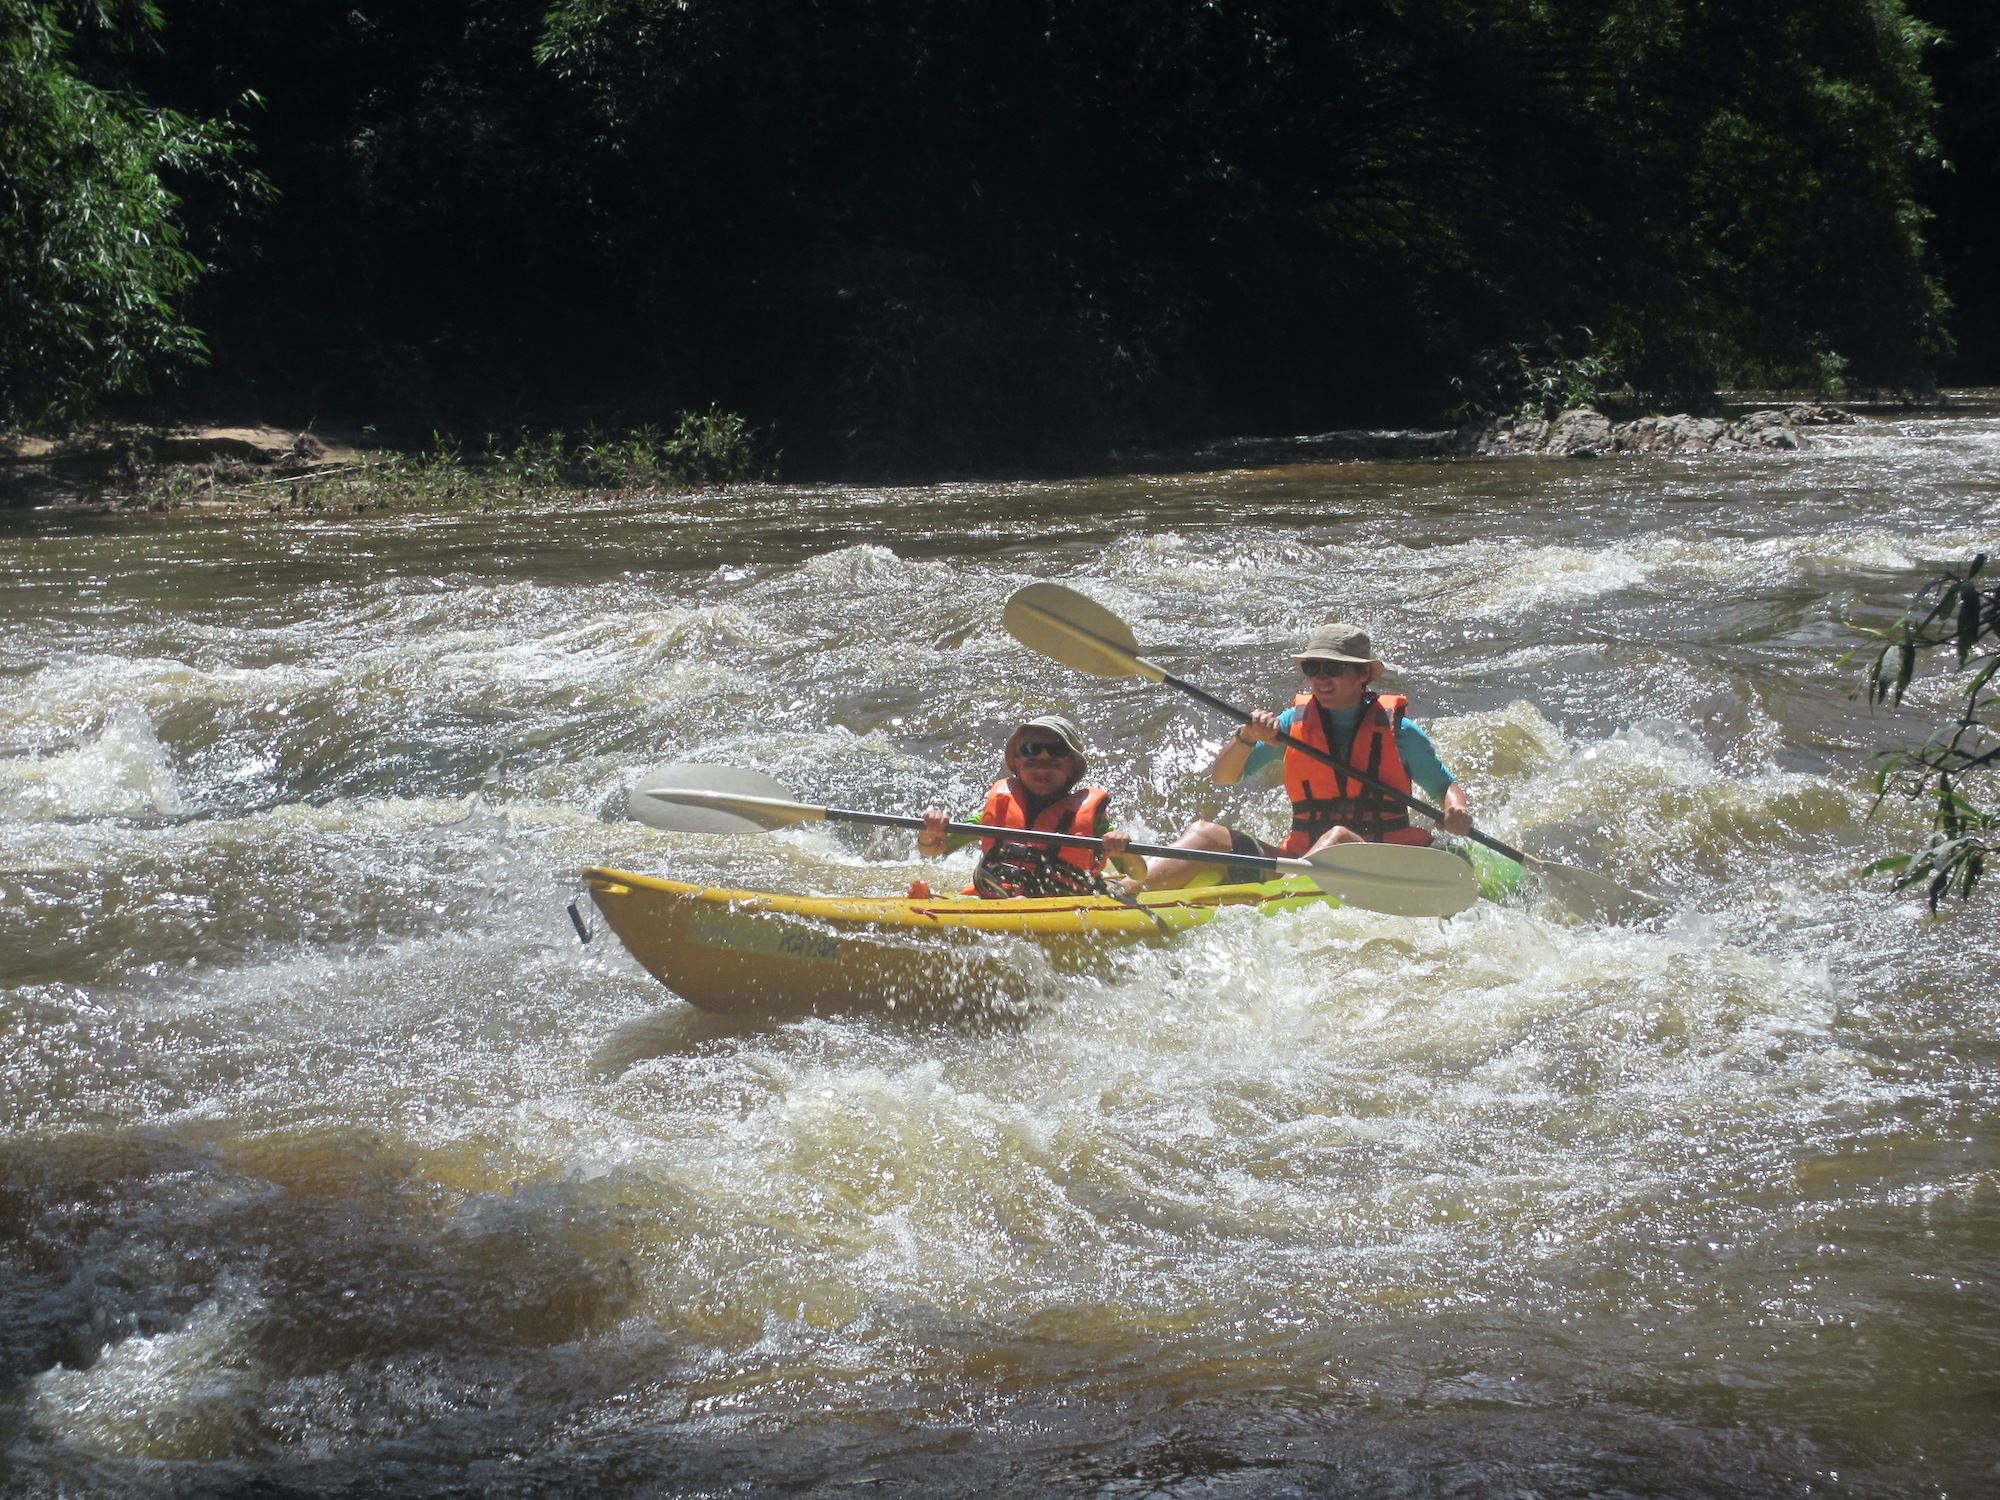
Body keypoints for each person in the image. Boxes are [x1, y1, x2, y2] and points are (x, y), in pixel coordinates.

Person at [1122, 622, 1472, 892]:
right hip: (1301, 861)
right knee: (1204, 832)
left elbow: (1444, 787)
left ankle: (1278, 897)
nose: (1321, 677)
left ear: (1362, 675)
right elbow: (1224, 777)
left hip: (1378, 862)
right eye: (1313, 667)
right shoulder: (1291, 725)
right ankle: (1128, 889)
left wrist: (1456, 809)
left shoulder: (1400, 731)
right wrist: (1246, 738)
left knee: (1338, 837)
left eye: (1333, 668)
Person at [916, 714, 1145, 898]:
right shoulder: (998, 808)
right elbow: (933, 849)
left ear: (1071, 769)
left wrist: (1124, 848)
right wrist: (930, 831)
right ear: (1016, 764)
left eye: (1053, 764)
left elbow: (1137, 873)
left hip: (1063, 905)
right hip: (999, 898)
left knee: (1126, 887)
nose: (1042, 770)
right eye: (1032, 762)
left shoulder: (1093, 820)